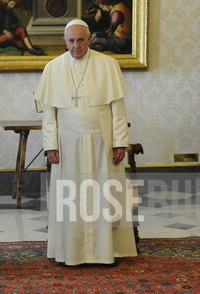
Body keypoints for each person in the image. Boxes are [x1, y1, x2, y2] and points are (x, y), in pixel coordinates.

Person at [34, 19, 137, 266]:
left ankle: (106, 251)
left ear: (89, 39)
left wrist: (120, 142)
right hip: (68, 145)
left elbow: (118, 109)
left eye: (81, 40)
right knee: (72, 197)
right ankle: (71, 251)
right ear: (64, 41)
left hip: (103, 142)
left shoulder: (108, 65)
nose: (76, 46)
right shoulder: (53, 68)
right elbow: (50, 113)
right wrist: (51, 145)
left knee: (105, 196)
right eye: (71, 41)